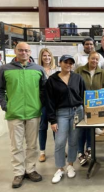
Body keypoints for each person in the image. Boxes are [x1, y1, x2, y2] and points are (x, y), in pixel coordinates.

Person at [0, 42, 46, 188]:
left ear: (30, 52)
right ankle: (18, 172)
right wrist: (5, 105)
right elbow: (0, 89)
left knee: (32, 144)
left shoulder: (38, 69)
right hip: (14, 113)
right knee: (16, 145)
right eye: (20, 50)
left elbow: (44, 89)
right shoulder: (4, 69)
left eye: (26, 50)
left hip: (33, 112)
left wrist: (41, 104)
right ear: (15, 51)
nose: (23, 53)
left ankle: (30, 169)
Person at [45, 55, 85, 184]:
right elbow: (49, 101)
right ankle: (60, 168)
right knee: (60, 141)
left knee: (73, 140)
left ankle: (71, 165)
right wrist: (52, 120)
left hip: (77, 112)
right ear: (60, 63)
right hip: (61, 113)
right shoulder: (52, 80)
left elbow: (84, 94)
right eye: (65, 62)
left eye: (70, 63)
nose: (68, 65)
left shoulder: (77, 78)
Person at [74, 51, 104, 166]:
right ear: (88, 59)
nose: (94, 61)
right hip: (80, 105)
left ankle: (89, 149)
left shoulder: (102, 73)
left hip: (95, 106)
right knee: (80, 130)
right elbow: (74, 86)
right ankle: (80, 152)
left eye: (96, 59)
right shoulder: (79, 71)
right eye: (92, 58)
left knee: (91, 128)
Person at [37, 48, 57, 162]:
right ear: (41, 57)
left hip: (55, 103)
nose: (47, 58)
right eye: (44, 56)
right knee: (42, 127)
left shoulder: (56, 70)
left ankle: (59, 149)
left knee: (56, 127)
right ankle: (42, 152)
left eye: (49, 55)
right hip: (43, 103)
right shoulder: (38, 70)